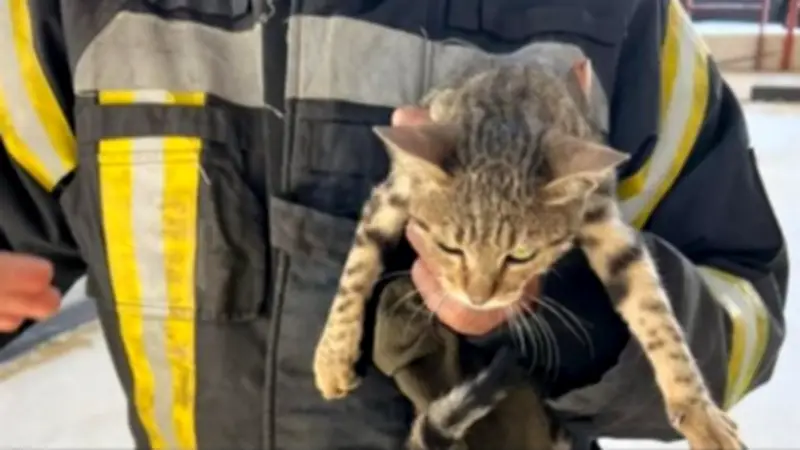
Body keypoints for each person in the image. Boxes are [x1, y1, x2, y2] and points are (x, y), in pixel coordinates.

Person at [0, 0, 788, 448]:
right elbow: (19, 216)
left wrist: (573, 305)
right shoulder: (55, 14)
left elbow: (744, 302)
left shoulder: (629, 18)